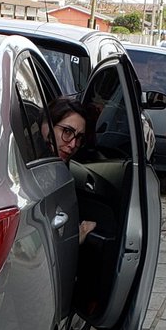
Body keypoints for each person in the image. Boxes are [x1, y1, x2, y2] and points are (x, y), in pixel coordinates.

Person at [42, 97, 100, 243]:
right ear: (46, 126)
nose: (73, 144)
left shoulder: (56, 166)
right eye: (67, 131)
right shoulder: (35, 165)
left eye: (79, 137)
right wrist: (79, 236)